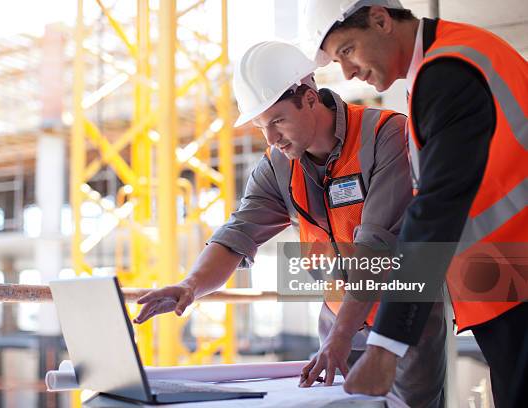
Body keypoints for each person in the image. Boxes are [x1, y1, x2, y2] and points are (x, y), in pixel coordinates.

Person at [133, 40, 446, 407]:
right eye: (261, 125)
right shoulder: (279, 165)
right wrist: (191, 285)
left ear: (310, 98)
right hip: (337, 326)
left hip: (401, 325)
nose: (271, 138)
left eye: (278, 120)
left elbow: (375, 250)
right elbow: (238, 233)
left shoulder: (385, 136)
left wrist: (339, 339)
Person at [302, 1, 528, 406]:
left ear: (381, 20)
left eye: (348, 51)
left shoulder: (448, 72)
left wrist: (385, 346)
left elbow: (436, 210)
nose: (348, 72)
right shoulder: (453, 59)